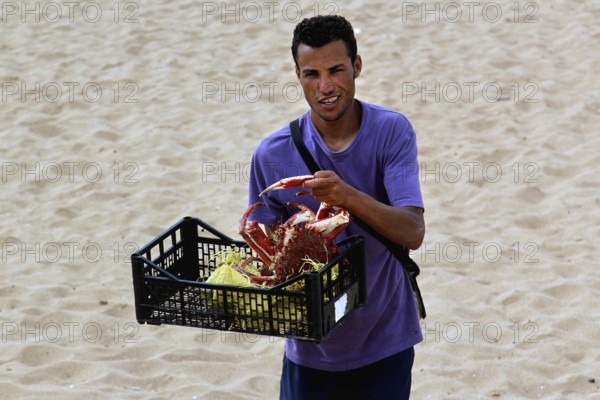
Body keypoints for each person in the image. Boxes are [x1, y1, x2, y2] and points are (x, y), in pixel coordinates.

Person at [247, 15, 425, 400]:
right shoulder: (271, 154)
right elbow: (259, 247)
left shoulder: (392, 132)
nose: (325, 87)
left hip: (385, 340)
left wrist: (346, 196)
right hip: (310, 350)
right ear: (297, 74)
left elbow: (413, 232)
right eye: (312, 73)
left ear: (357, 67)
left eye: (336, 70)